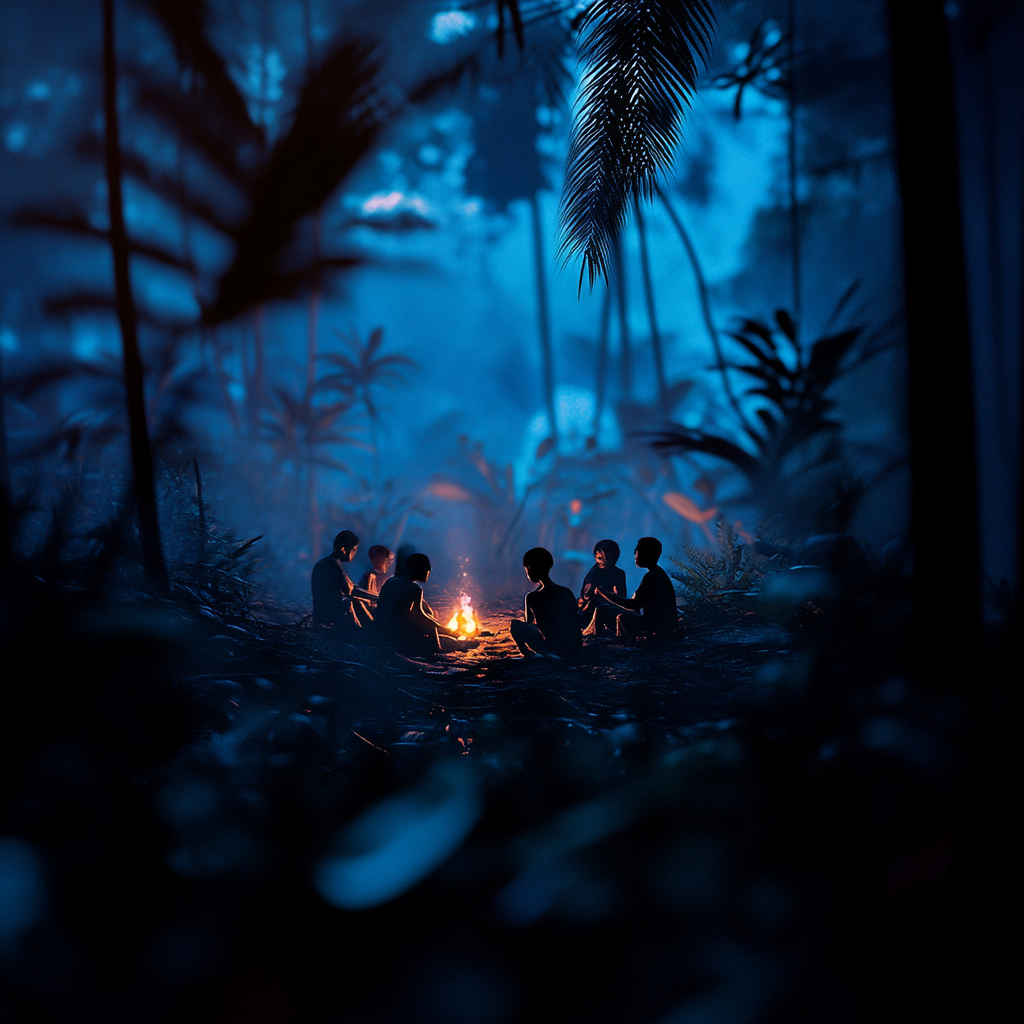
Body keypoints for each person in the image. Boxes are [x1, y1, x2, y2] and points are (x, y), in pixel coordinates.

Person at [374, 552, 458, 655]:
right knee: (431, 627)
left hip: (381, 627)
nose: (429, 572)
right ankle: (437, 651)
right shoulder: (415, 588)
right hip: (396, 631)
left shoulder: (390, 581)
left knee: (431, 623)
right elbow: (419, 614)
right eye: (428, 570)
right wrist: (441, 628)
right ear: (420, 570)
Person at [596, 536, 678, 640]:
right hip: (659, 624)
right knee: (604, 610)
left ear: (647, 554)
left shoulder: (653, 577)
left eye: (638, 550)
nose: (635, 553)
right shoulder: (657, 574)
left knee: (623, 618)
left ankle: (625, 643)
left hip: (658, 627)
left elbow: (633, 605)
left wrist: (605, 594)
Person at [510, 547, 583, 660]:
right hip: (572, 645)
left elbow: (529, 625)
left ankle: (528, 654)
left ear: (530, 569)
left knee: (515, 625)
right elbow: (575, 620)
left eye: (526, 570)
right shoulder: (565, 592)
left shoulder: (531, 597)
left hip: (550, 646)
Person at [311, 530, 375, 628]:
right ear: (344, 549)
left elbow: (351, 587)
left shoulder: (331, 563)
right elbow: (351, 590)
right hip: (328, 615)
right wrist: (376, 597)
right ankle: (368, 632)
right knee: (350, 603)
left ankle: (372, 629)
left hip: (324, 612)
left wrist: (375, 597)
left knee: (357, 603)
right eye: (353, 550)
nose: (354, 553)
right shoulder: (331, 565)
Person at [578, 539, 628, 634]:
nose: (604, 561)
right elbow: (586, 595)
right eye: (600, 558)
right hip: (592, 608)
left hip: (613, 606)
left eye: (608, 557)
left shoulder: (619, 573)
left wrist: (614, 595)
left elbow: (622, 596)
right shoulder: (594, 573)